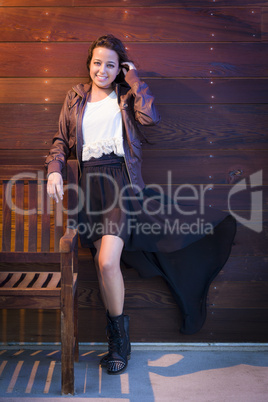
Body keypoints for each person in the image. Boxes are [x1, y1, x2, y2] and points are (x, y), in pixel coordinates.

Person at [45, 34, 236, 375]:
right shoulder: (75, 96)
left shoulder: (125, 94)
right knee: (104, 266)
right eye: (97, 62)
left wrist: (135, 81)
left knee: (106, 263)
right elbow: (61, 139)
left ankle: (118, 342)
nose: (101, 69)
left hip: (120, 183)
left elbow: (150, 120)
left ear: (120, 69)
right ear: (89, 64)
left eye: (110, 64)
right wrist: (55, 170)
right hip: (89, 188)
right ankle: (118, 337)